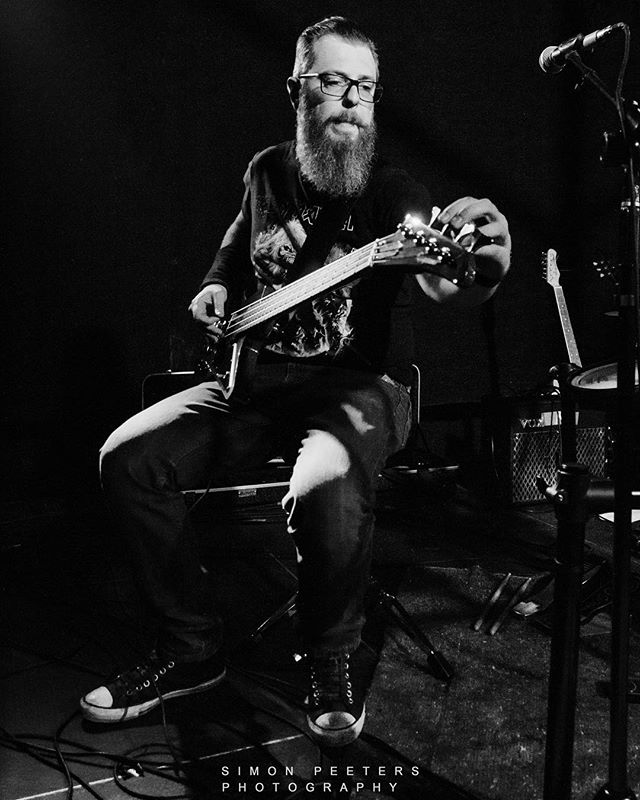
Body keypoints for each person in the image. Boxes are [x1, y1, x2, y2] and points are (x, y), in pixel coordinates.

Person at [80, 16, 511, 746]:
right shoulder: (266, 171)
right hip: (250, 383)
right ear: (298, 90)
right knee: (128, 459)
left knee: (325, 483)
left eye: (365, 89)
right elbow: (232, 253)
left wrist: (482, 265)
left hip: (357, 390)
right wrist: (214, 291)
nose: (350, 101)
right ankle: (190, 649)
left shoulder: (394, 193)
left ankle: (330, 658)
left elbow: (448, 282)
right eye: (333, 82)